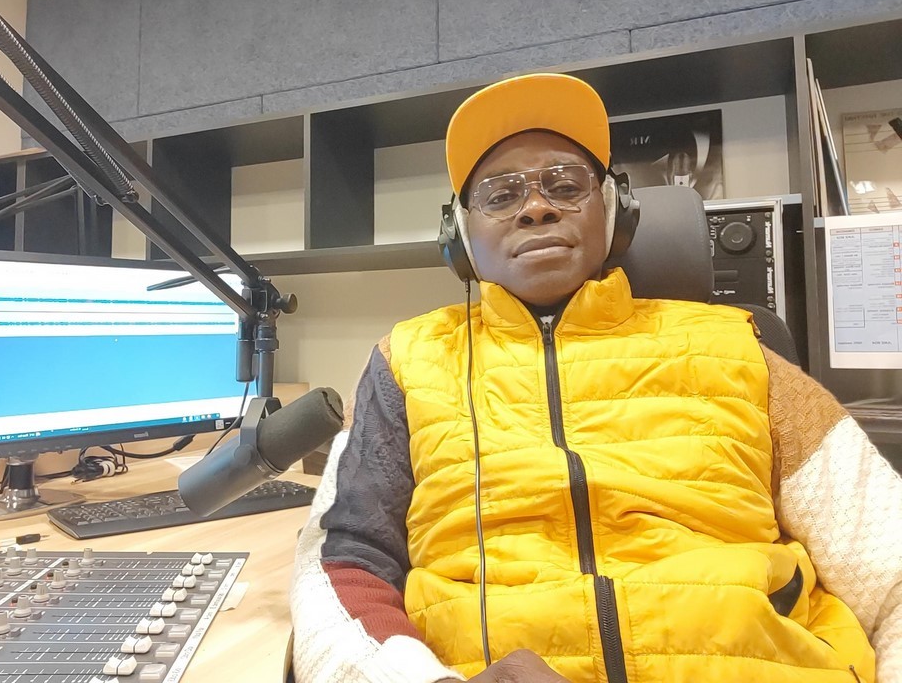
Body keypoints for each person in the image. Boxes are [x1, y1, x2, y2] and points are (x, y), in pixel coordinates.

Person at [289, 73, 902, 682]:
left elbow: (890, 566)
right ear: (461, 235)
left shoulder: (742, 349)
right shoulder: (406, 361)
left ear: (615, 210)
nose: (537, 207)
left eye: (565, 185)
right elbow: (342, 563)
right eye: (500, 195)